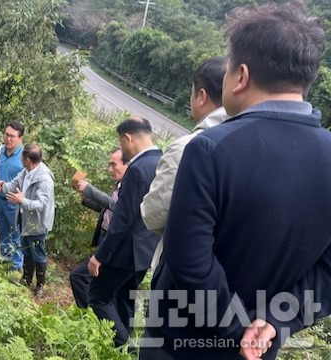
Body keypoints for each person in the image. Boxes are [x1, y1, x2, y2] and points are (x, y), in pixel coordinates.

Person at [141, 2, 331, 359]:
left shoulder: (211, 149)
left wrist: (236, 329)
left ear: (241, 76)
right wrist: (275, 321)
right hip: (259, 350)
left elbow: (188, 261)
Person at [141, 56, 229, 273]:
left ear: (201, 96)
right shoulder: (251, 140)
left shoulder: (187, 147)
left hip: (185, 273)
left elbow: (153, 214)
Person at [86, 117, 162, 347]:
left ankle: (126, 348)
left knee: (98, 296)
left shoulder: (138, 169)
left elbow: (123, 219)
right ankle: (120, 347)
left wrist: (99, 256)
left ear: (128, 138)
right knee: (126, 299)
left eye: (121, 142)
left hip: (126, 250)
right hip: (146, 249)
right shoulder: (162, 161)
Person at [70, 148, 129, 308]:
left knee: (79, 277)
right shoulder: (119, 185)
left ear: (128, 165)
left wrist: (91, 190)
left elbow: (117, 207)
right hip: (105, 238)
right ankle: (95, 315)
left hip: (114, 242)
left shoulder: (131, 189)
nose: (110, 169)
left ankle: (91, 313)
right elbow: (107, 208)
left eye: (114, 165)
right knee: (97, 283)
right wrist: (86, 197)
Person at [0, 144, 55, 297]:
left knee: (38, 253)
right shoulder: (25, 171)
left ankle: (40, 285)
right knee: (26, 249)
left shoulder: (44, 179)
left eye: (22, 157)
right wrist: (2, 186)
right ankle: (27, 279)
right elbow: (13, 184)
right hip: (24, 217)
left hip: (38, 222)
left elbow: (41, 205)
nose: (20, 159)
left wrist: (22, 200)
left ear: (27, 159)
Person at [0, 122, 25, 271]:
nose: (8, 139)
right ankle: (4, 261)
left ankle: (16, 267)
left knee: (15, 235)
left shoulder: (24, 156)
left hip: (14, 203)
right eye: (6, 135)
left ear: (20, 138)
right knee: (3, 232)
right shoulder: (0, 150)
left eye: (12, 136)